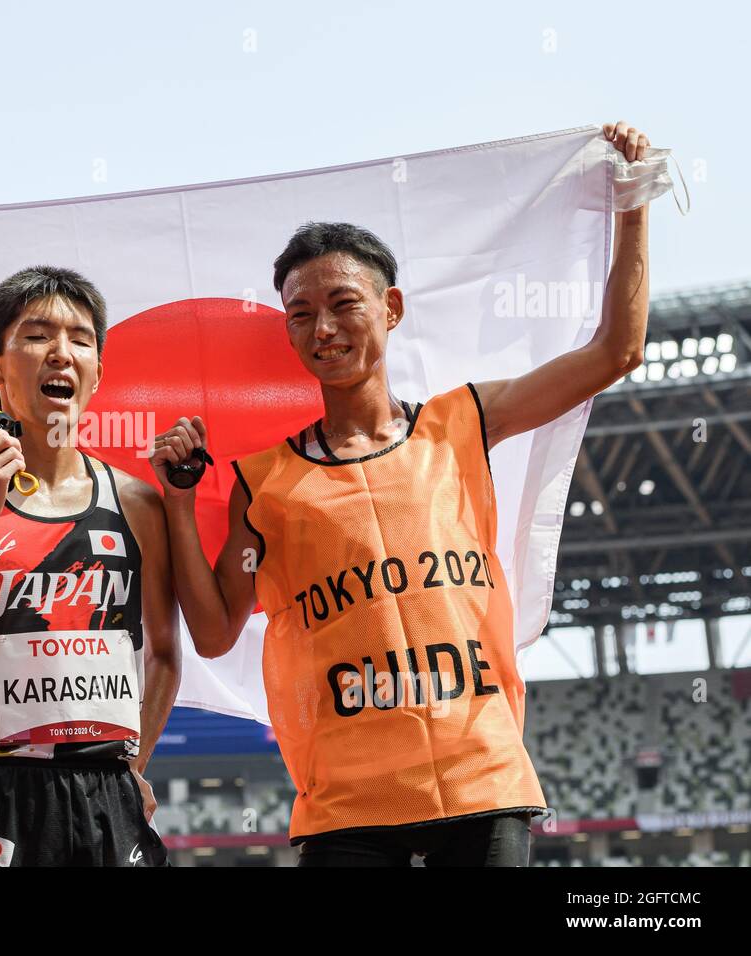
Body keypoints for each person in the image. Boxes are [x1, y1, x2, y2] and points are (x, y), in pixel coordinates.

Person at [150, 122, 653, 866]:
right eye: (300, 313)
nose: (323, 327)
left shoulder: (465, 422)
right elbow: (218, 630)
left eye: (342, 303)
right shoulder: (263, 479)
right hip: (346, 804)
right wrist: (177, 503)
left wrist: (633, 206)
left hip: (479, 779)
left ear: (391, 307)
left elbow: (618, 350)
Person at [0, 265, 181, 866]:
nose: (62, 353)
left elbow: (165, 654)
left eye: (80, 339)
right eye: (37, 335)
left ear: (100, 371)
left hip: (109, 793)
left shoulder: (138, 502)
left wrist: (134, 766)